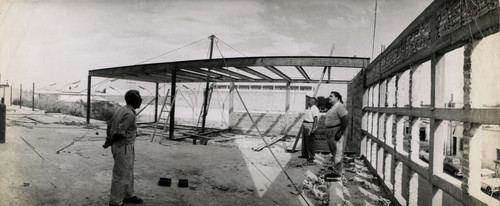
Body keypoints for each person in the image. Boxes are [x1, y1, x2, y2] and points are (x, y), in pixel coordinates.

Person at [106, 90, 143, 206]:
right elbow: (119, 133)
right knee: (121, 174)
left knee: (128, 172)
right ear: (133, 101)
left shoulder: (122, 109)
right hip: (123, 146)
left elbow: (110, 124)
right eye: (139, 99)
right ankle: (115, 202)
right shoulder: (130, 114)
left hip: (124, 145)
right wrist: (110, 142)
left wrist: (109, 139)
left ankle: (128, 195)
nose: (141, 101)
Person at [324, 91, 348, 176]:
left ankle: (337, 172)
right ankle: (336, 167)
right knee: (333, 150)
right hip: (330, 131)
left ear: (337, 98)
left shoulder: (339, 107)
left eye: (331, 96)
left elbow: (345, 119)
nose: (329, 97)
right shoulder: (333, 107)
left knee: (338, 151)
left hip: (336, 130)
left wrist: (341, 132)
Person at [299, 97, 320, 161]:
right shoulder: (309, 108)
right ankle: (305, 154)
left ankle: (311, 156)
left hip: (310, 124)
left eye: (310, 100)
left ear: (313, 102)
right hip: (305, 124)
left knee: (310, 141)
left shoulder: (315, 109)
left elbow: (316, 119)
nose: (308, 101)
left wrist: (313, 129)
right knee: (305, 141)